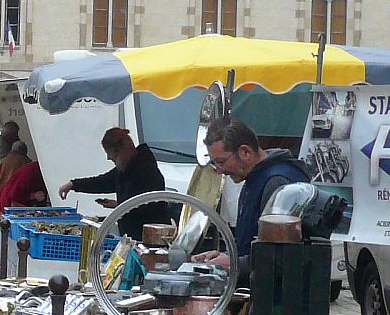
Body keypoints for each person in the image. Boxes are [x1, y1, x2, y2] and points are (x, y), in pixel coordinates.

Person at [194, 118, 311, 280]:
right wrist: (225, 256)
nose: (219, 171)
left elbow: (277, 256)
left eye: (221, 162)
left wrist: (233, 263)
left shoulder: (277, 183)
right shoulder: (255, 178)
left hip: (278, 298)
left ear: (245, 152)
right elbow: (249, 241)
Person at [60, 126, 173, 238]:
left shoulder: (147, 171)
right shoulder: (126, 168)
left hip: (149, 238)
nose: (108, 158)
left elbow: (148, 206)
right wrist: (73, 184)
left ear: (120, 150)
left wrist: (120, 205)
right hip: (132, 234)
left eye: (109, 153)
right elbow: (102, 182)